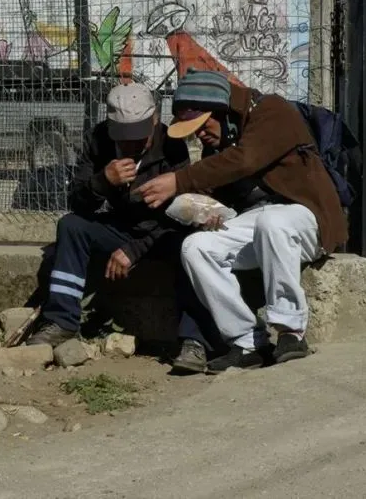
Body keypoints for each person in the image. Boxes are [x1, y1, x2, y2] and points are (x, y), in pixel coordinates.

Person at [135, 69, 349, 373]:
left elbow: (246, 159)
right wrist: (200, 208)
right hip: (261, 223)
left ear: (220, 110)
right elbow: (217, 181)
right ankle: (248, 341)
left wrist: (180, 180)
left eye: (202, 125)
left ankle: (291, 332)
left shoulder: (272, 110)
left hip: (306, 219)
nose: (201, 135)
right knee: (196, 247)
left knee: (272, 221)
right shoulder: (223, 137)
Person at [26, 83, 220, 357]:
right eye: (123, 137)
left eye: (138, 136)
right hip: (122, 228)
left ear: (154, 120)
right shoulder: (99, 139)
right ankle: (61, 321)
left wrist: (135, 249)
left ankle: (195, 341)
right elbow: (78, 204)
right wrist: (102, 182)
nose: (130, 144)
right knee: (71, 226)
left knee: (194, 245)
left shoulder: (172, 145)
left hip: (163, 233)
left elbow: (183, 213)